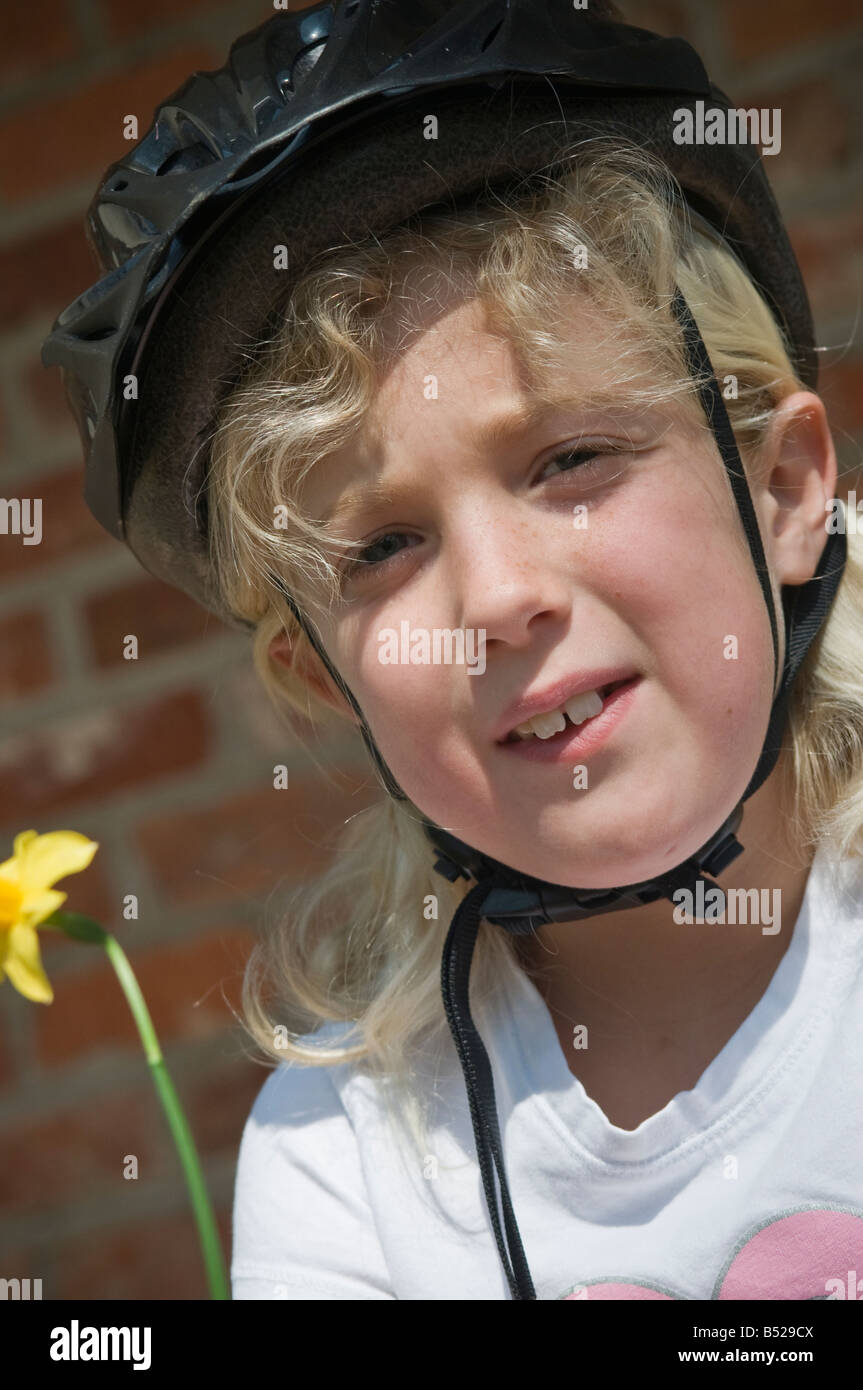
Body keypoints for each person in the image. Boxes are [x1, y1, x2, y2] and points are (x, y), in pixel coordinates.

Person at [42, 1, 863, 1301]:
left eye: (571, 457)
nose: (498, 598)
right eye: (381, 547)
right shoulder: (344, 1161)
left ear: (784, 493)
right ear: (324, 678)